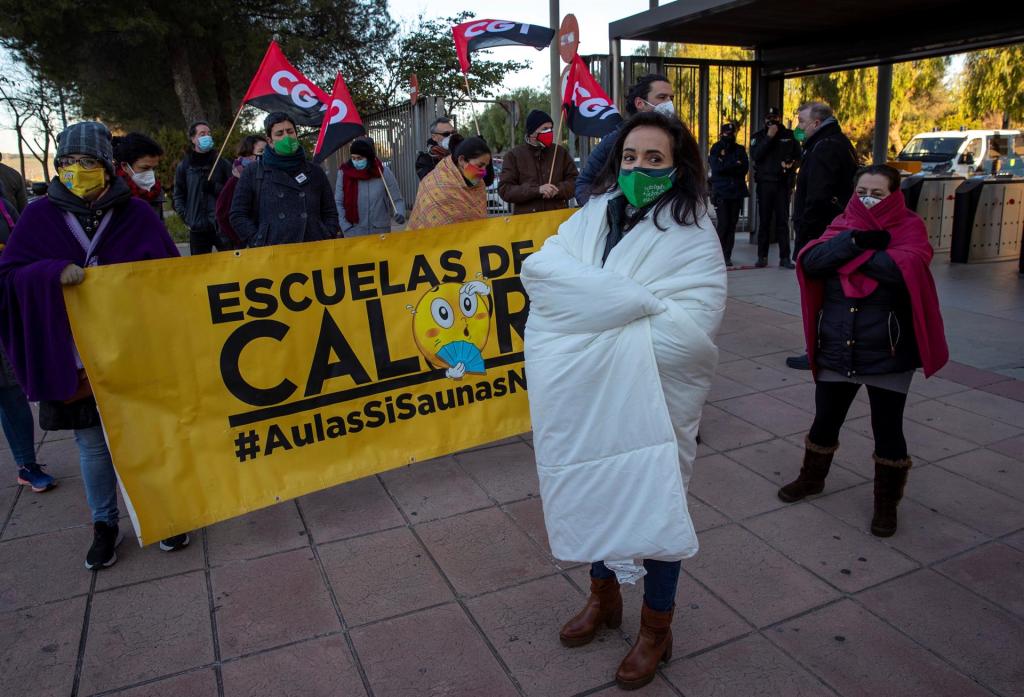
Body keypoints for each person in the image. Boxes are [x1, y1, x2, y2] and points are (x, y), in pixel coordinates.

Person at [521, 112, 726, 690]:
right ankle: (603, 597)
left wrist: (590, 322)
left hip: (655, 401)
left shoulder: (694, 233)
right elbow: (541, 273)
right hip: (587, 398)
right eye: (631, 158)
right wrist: (627, 309)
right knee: (596, 486)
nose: (639, 168)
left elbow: (691, 333)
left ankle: (656, 629)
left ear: (678, 166)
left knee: (655, 502)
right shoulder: (592, 215)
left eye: (654, 159)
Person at [0, 121, 187, 568]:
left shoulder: (137, 215)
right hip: (75, 359)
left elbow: (172, 278)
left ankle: (163, 514)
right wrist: (50, 273)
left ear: (106, 166)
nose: (76, 169)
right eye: (67, 162)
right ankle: (105, 524)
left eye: (86, 161)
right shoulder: (38, 217)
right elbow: (8, 278)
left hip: (134, 352)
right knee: (94, 447)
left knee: (146, 437)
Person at [780, 165, 948, 537]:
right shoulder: (843, 224)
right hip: (837, 344)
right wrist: (856, 242)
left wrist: (846, 255)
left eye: (877, 193)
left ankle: (886, 505)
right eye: (862, 192)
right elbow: (811, 261)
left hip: (888, 349)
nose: (868, 199)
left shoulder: (910, 227)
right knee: (825, 420)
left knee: (888, 429)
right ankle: (811, 478)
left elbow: (904, 269)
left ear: (894, 195)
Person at [787, 101, 859, 370]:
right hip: (831, 232)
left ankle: (818, 350)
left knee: (820, 295)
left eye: (802, 122)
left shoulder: (825, 147)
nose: (798, 127)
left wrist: (806, 237)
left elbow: (817, 197)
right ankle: (823, 347)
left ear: (816, 123)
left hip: (821, 235)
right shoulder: (833, 143)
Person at [0, 185, 54, 493]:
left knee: (10, 388)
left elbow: (22, 247)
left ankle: (26, 463)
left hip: (6, 302)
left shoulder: (3, 201)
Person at [229, 112, 340, 247]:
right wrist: (258, 240)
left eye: (290, 131)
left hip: (314, 249)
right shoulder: (253, 172)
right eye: (279, 133)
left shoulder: (315, 171)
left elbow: (330, 212)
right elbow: (238, 214)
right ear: (270, 141)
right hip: (273, 252)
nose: (286, 137)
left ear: (296, 134)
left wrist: (326, 234)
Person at [575, 74, 676, 205]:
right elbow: (584, 183)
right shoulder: (614, 141)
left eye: (671, 98)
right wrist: (603, 210)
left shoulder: (677, 139)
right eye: (662, 97)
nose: (669, 103)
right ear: (639, 103)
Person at [498, 109, 578, 214]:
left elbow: (575, 181)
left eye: (551, 129)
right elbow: (505, 189)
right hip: (527, 220)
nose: (549, 132)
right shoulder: (514, 156)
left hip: (557, 217)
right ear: (532, 132)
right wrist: (537, 190)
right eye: (545, 129)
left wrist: (558, 190)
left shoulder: (560, 152)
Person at [750, 106, 801, 268]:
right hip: (765, 184)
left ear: (779, 118)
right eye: (769, 117)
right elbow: (756, 155)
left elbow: (799, 156)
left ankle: (784, 257)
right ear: (765, 119)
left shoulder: (789, 135)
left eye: (775, 117)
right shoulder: (758, 137)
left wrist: (791, 165)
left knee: (782, 222)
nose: (771, 120)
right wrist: (769, 137)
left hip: (782, 184)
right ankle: (762, 256)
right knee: (764, 221)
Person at [407, 136, 491, 230]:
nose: (484, 171)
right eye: (480, 165)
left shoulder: (479, 184)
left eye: (486, 166)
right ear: (462, 160)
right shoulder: (435, 185)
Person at [173, 120, 232, 255]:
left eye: (209, 133)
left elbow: (232, 192)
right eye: (202, 134)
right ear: (193, 139)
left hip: (220, 227)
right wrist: (186, 217)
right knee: (200, 266)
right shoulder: (185, 166)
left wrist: (214, 187)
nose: (207, 136)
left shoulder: (222, 163)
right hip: (197, 229)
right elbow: (178, 195)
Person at [335, 137, 406, 236]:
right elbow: (338, 203)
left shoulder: (383, 172)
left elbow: (397, 200)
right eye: (353, 158)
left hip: (380, 232)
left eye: (360, 158)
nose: (356, 161)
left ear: (369, 157)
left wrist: (400, 213)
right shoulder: (344, 174)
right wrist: (346, 228)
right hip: (354, 232)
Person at [215, 135, 267, 248]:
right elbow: (222, 214)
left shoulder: (267, 175)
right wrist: (243, 239)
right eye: (261, 151)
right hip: (248, 244)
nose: (265, 155)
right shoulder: (236, 180)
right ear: (248, 155)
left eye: (267, 151)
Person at [708, 122, 748, 266]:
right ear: (722, 133)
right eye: (727, 133)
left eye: (732, 133)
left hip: (736, 192)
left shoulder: (740, 149)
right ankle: (717, 255)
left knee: (732, 225)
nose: (730, 135)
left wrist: (726, 164)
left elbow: (744, 168)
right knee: (723, 224)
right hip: (721, 193)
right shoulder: (716, 148)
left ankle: (727, 255)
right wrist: (734, 164)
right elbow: (717, 168)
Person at [113, 132, 166, 220]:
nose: (151, 174)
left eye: (154, 168)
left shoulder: (155, 191)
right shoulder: (112, 195)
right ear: (125, 166)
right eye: (145, 168)